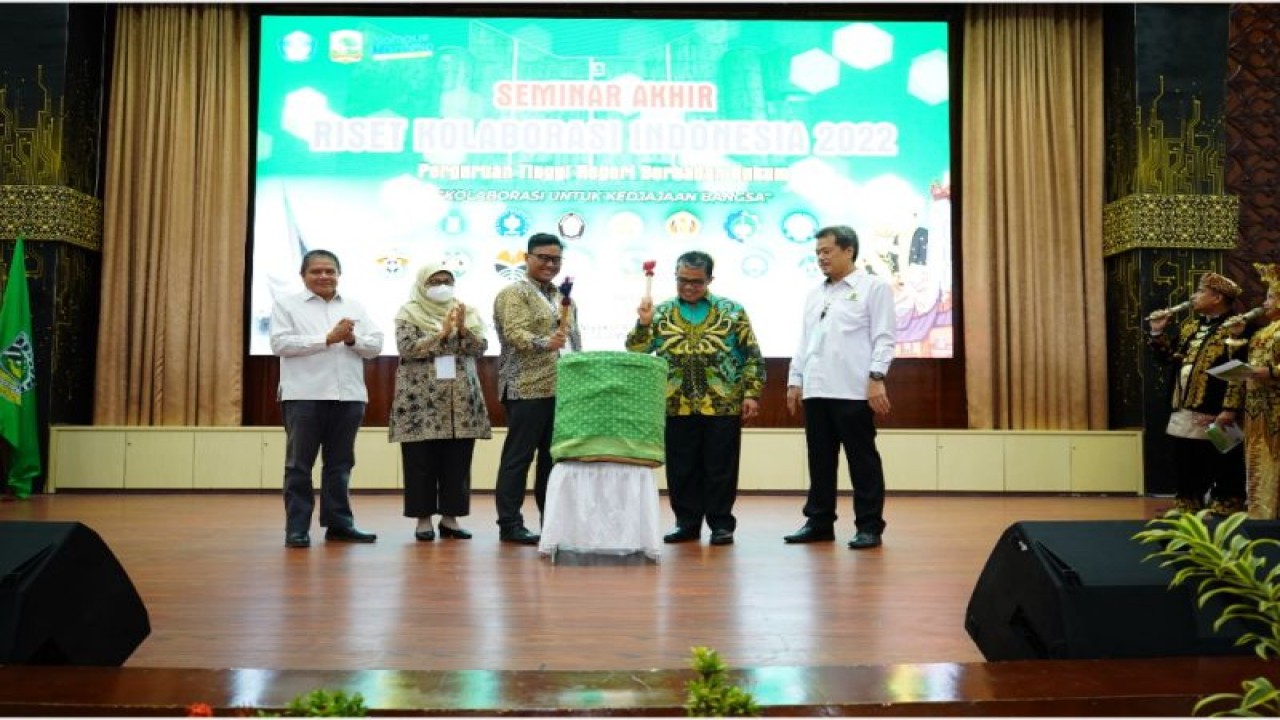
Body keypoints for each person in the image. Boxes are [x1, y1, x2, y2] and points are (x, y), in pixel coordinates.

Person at [625, 251, 765, 546]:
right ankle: (686, 523)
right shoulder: (659, 312)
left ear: (709, 280)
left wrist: (752, 393)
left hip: (723, 403)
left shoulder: (732, 311)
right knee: (682, 467)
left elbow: (751, 355)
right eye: (683, 280)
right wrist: (643, 323)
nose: (688, 287)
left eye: (696, 282)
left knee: (720, 467)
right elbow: (636, 351)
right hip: (676, 403)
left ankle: (721, 525)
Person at [784, 225, 895, 549]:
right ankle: (819, 522)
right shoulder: (815, 293)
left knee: (862, 461)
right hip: (817, 390)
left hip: (853, 390)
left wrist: (876, 378)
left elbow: (884, 338)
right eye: (817, 252)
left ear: (848, 250)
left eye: (827, 251)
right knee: (819, 461)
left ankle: (869, 526)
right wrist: (795, 380)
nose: (821, 258)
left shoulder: (873, 287)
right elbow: (805, 341)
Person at [270, 249, 383, 548]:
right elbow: (280, 343)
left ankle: (339, 525)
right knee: (298, 466)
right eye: (316, 271)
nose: (323, 276)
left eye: (330, 271)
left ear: (338, 274)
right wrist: (327, 339)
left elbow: (375, 346)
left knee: (340, 465)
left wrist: (352, 339)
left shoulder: (355, 306)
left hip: (349, 397)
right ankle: (296, 529)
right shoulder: (287, 305)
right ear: (303, 275)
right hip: (303, 396)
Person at [388, 262, 492, 541]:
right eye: (435, 281)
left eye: (447, 280)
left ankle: (450, 518)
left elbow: (480, 348)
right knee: (420, 460)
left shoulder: (466, 311)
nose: (442, 286)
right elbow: (407, 348)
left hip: (459, 399)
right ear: (423, 284)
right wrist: (442, 333)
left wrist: (461, 329)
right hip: (420, 400)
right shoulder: (408, 312)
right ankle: (423, 520)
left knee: (457, 460)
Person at [492, 233, 581, 544]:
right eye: (543, 257)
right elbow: (515, 333)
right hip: (526, 387)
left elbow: (574, 341)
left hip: (562, 388)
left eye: (555, 259)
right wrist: (545, 342)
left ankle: (552, 522)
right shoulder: (514, 294)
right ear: (527, 258)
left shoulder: (562, 295)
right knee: (518, 457)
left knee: (552, 459)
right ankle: (510, 523)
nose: (550, 263)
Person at [1147, 272, 1248, 516]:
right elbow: (1170, 359)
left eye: (1201, 291)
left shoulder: (1236, 327)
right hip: (1185, 403)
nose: (1194, 296)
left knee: (1223, 458)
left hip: (1216, 406)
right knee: (1185, 458)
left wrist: (1229, 408)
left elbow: (1238, 371)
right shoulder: (1191, 327)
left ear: (1216, 297)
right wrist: (1158, 333)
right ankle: (1188, 503)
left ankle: (1227, 504)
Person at [1237, 263, 1280, 518]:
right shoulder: (1262, 332)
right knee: (1257, 460)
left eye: (1271, 296)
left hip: (1275, 408)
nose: (1265, 302)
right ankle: (1260, 513)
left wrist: (1271, 373)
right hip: (1256, 410)